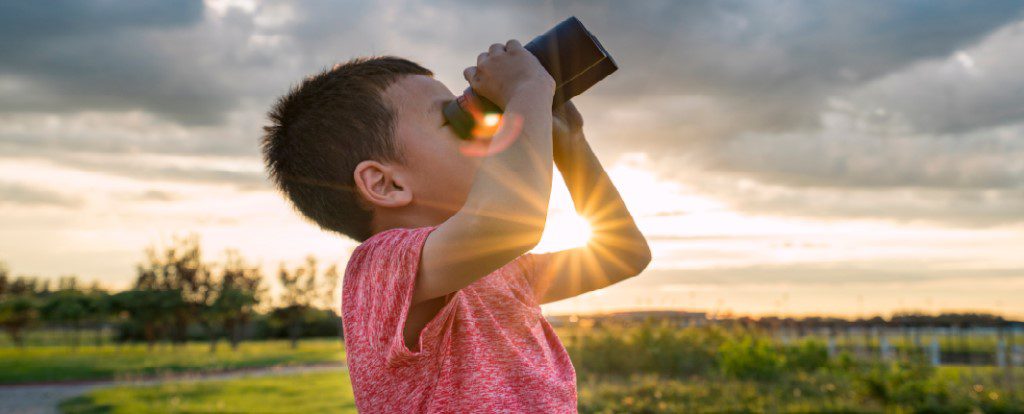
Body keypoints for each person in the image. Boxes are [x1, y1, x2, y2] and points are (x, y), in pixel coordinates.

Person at [261, 38, 650, 413]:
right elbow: (507, 225)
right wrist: (526, 89)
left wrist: (571, 143)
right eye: (454, 118)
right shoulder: (379, 268)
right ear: (386, 184)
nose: (485, 129)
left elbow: (623, 254)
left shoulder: (505, 275)